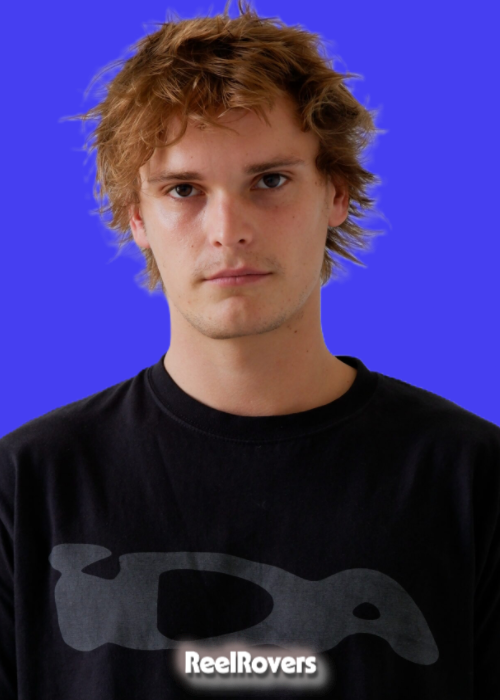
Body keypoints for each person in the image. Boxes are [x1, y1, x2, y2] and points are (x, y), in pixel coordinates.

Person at [1, 1, 499, 698]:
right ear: (137, 217)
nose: (228, 229)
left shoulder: (473, 479)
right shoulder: (28, 485)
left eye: (269, 181)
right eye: (184, 189)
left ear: (337, 193)